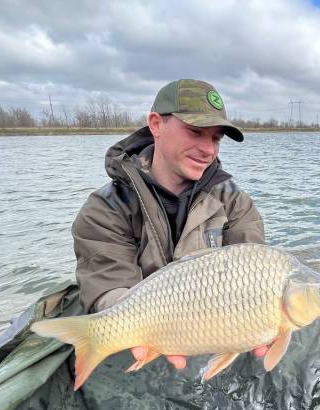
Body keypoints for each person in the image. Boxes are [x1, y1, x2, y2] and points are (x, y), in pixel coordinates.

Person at [72, 79, 267, 370]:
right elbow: (108, 286)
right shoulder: (106, 208)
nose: (208, 150)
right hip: (145, 339)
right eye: (196, 132)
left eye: (215, 139)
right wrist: (147, 328)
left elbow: (254, 273)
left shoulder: (234, 201)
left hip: (215, 332)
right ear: (156, 124)